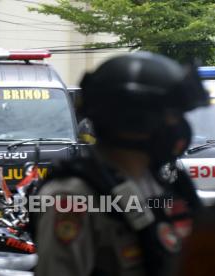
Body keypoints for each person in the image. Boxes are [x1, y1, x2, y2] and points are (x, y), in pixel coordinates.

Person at [33, 52, 208, 276]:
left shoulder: (162, 183)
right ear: (137, 119)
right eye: (173, 115)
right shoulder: (72, 196)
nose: (180, 126)